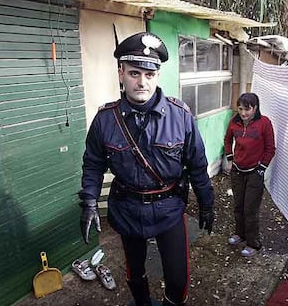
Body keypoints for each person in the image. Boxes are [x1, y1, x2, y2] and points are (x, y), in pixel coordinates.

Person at [78, 32, 215, 306]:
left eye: (149, 74)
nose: (142, 82)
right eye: (134, 73)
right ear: (121, 74)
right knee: (135, 272)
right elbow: (93, 162)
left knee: (177, 279)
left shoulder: (180, 115)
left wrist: (206, 203)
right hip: (127, 208)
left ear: (157, 76)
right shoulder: (106, 120)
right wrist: (90, 201)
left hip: (169, 208)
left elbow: (197, 164)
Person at [223, 92, 275, 257]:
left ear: (255, 108)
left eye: (247, 109)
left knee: (250, 210)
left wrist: (262, 168)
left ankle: (253, 243)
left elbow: (270, 148)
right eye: (240, 109)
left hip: (254, 172)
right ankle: (240, 234)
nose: (243, 113)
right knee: (238, 206)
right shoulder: (234, 121)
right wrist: (230, 159)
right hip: (238, 171)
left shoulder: (264, 123)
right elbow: (227, 140)